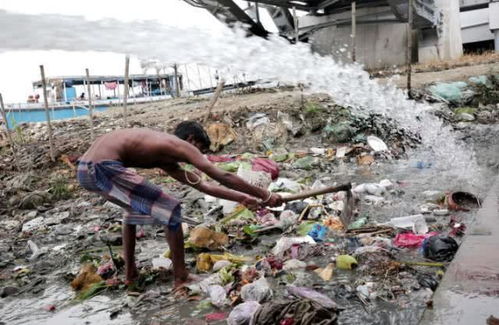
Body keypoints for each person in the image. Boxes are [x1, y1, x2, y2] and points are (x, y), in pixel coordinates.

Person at [77, 121, 282, 288]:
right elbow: (223, 176)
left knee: (131, 210)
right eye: (200, 151)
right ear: (191, 140)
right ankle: (181, 277)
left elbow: (203, 186)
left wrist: (243, 198)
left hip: (85, 171)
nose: (198, 157)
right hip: (102, 168)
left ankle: (131, 274)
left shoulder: (165, 156)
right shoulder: (178, 145)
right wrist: (265, 195)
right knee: (171, 209)